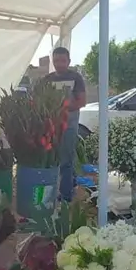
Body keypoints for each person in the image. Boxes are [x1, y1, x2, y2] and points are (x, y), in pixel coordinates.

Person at [42, 47, 87, 202]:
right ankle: (64, 187)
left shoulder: (76, 77)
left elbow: (82, 101)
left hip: (69, 126)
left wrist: (62, 108)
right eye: (56, 61)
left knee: (66, 160)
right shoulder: (47, 80)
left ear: (69, 61)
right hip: (51, 127)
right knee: (53, 159)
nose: (59, 64)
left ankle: (66, 196)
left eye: (62, 61)